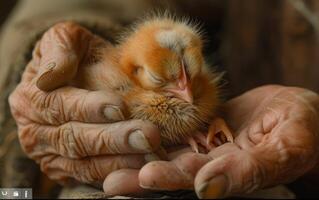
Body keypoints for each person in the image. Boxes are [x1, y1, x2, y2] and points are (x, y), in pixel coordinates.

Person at [1, 0, 319, 198]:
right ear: (136, 69)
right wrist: (38, 55)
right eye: (160, 80)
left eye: (189, 79)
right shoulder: (121, 80)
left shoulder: (192, 86)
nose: (187, 92)